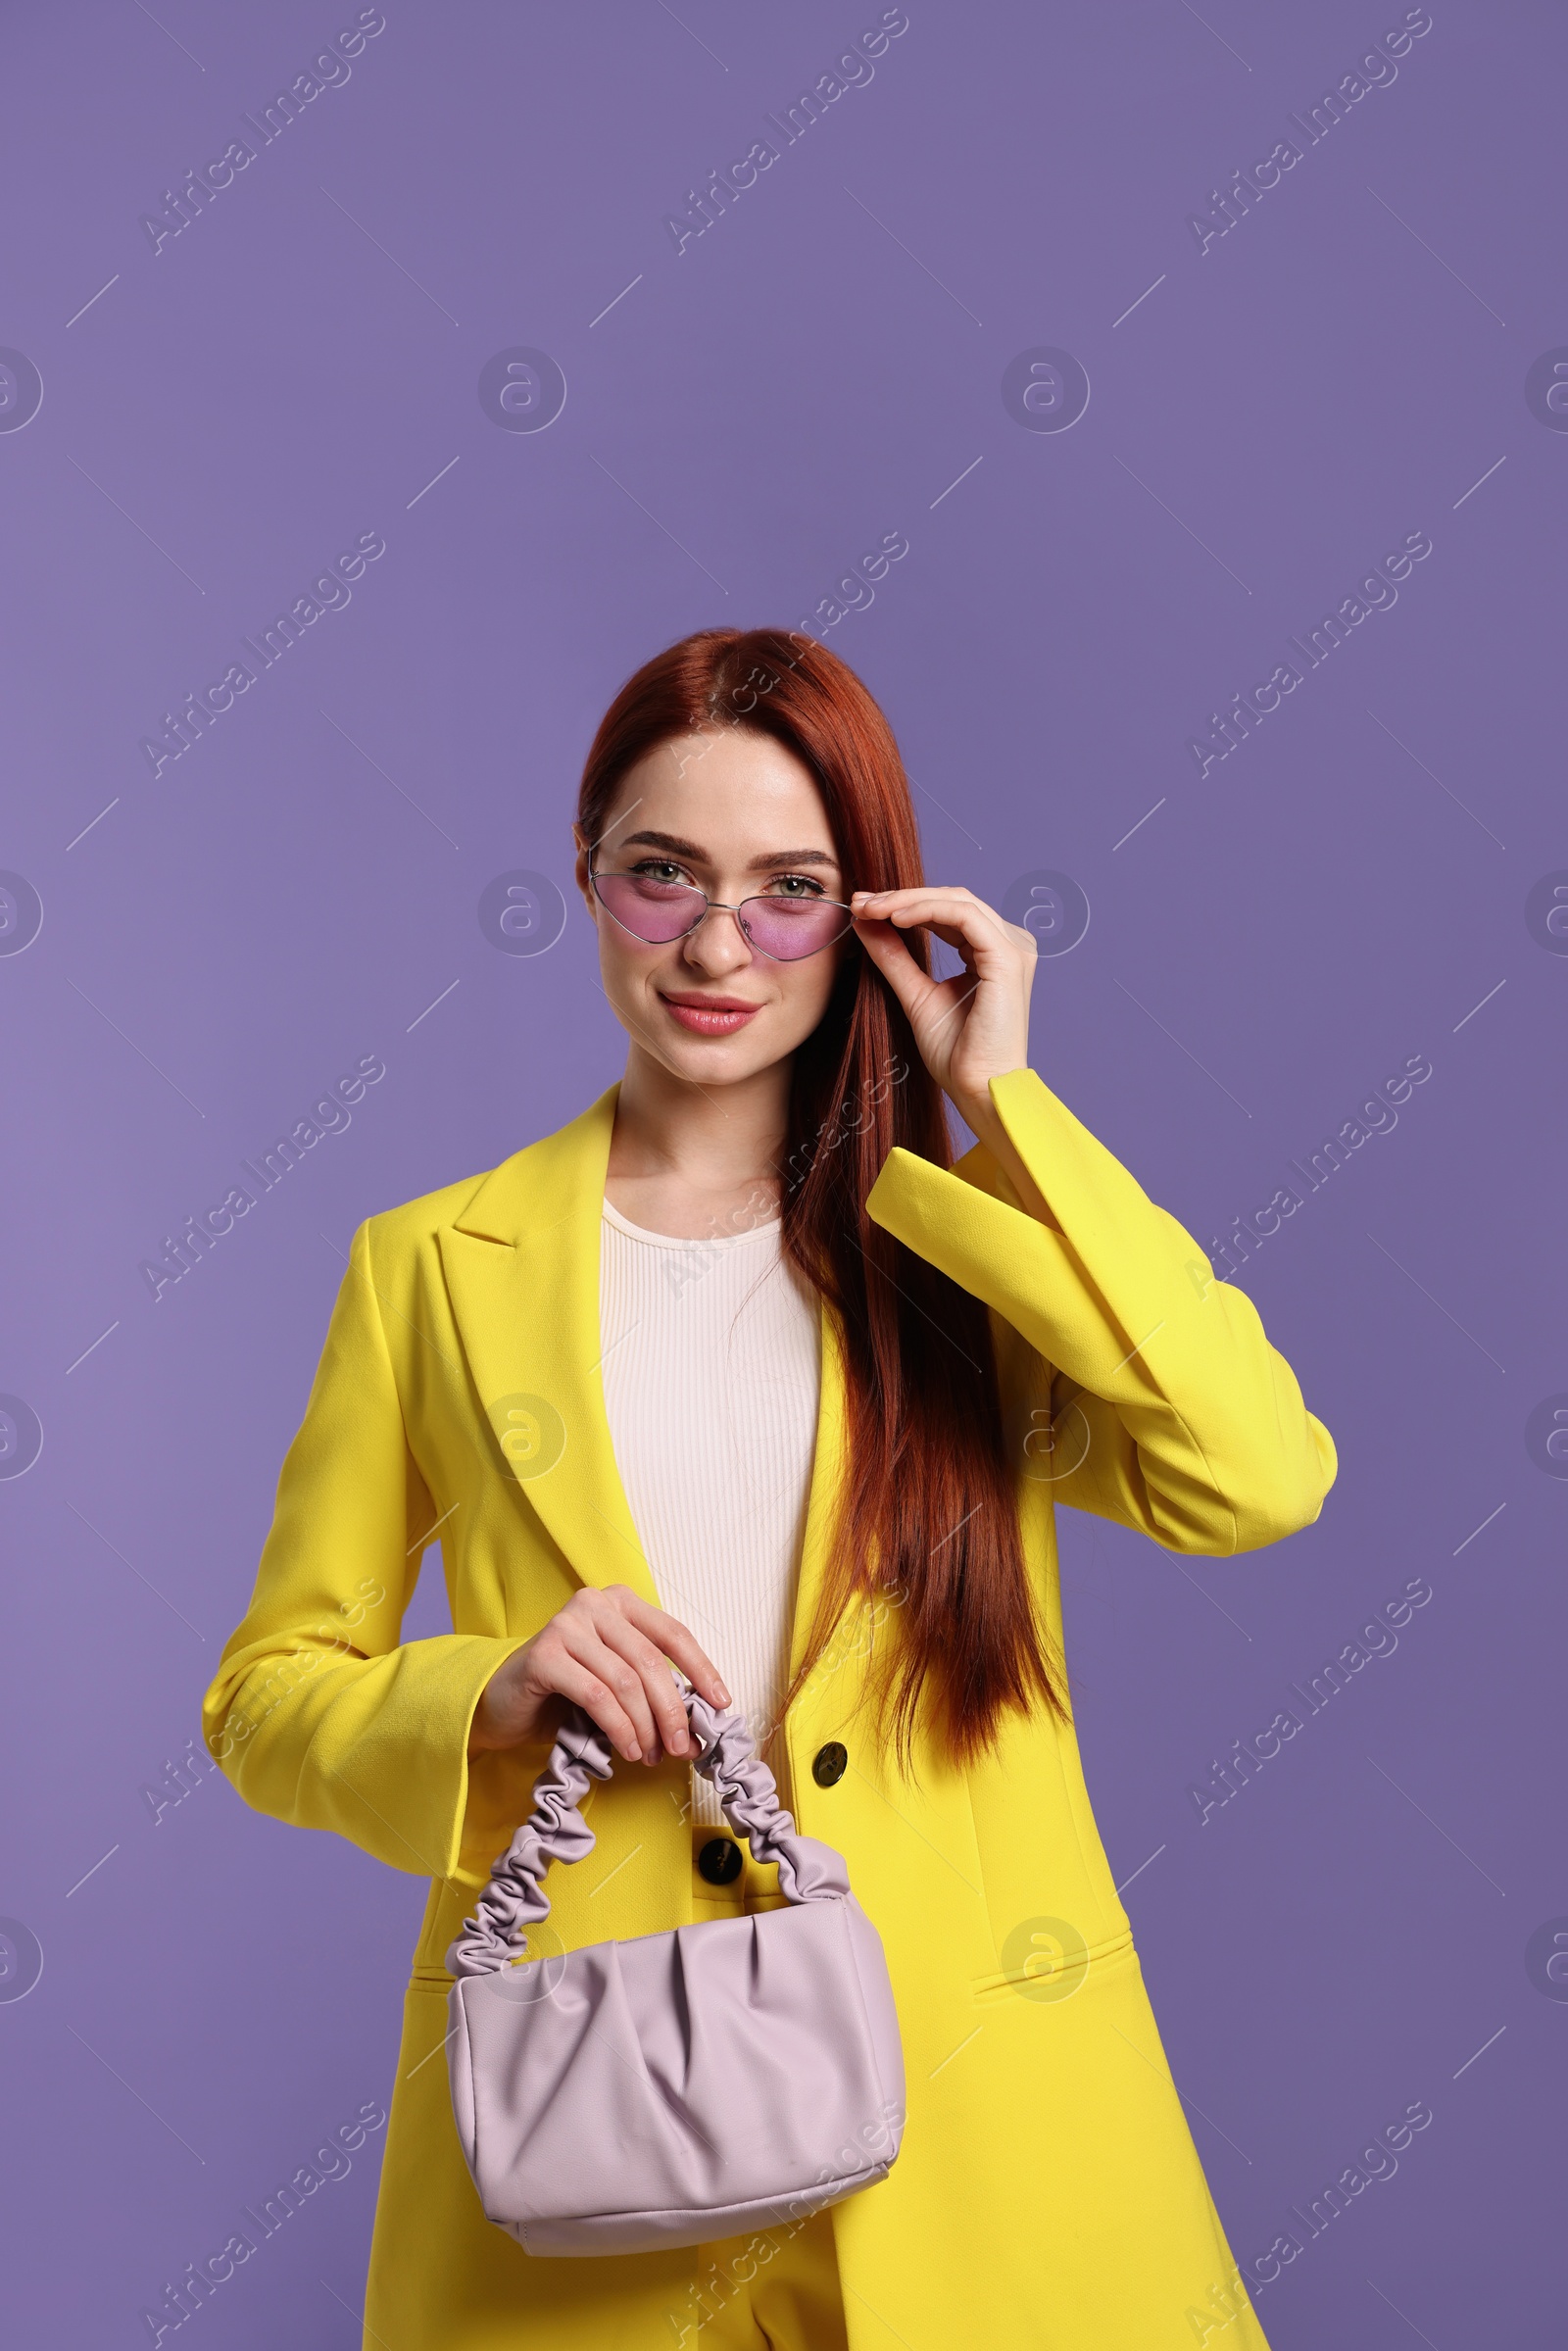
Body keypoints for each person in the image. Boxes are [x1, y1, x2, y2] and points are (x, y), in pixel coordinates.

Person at [203, 625, 1336, 2349]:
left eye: (789, 888)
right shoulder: (428, 1269)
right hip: (596, 2148)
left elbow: (1254, 1475)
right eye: (664, 876)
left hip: (980, 2142)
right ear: (588, 880)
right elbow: (265, 1699)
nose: (718, 945)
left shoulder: (970, 1260)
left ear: (870, 915)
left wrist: (1002, 1108)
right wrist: (484, 1692)